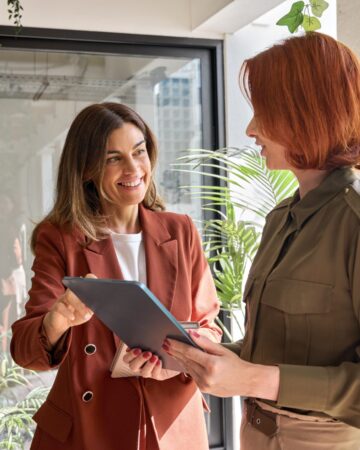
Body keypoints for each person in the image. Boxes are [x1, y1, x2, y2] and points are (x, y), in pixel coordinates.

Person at [165, 32, 360, 449]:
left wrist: (253, 378)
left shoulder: (355, 221)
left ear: (308, 113)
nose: (251, 129)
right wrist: (197, 356)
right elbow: (276, 349)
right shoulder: (280, 219)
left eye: (264, 112)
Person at [10, 103, 222, 450]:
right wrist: (58, 319)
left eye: (139, 152)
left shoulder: (180, 231)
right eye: (114, 159)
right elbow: (24, 349)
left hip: (171, 423)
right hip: (89, 426)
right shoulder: (61, 237)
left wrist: (173, 364)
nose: (133, 168)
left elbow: (209, 326)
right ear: (87, 170)